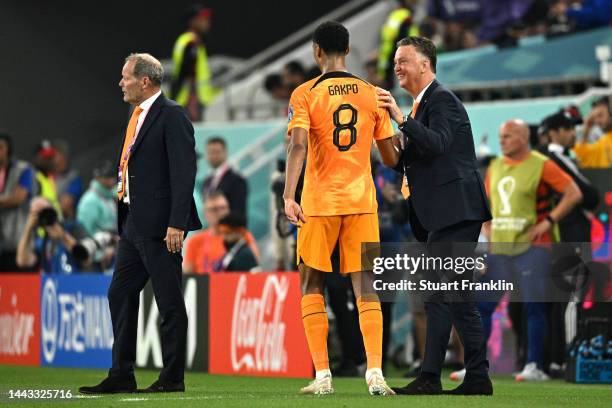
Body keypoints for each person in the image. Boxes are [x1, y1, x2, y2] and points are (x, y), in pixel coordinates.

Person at [283, 21, 400, 396]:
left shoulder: (304, 93)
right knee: (365, 286)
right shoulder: (372, 94)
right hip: (362, 202)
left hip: (319, 203)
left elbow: (298, 145)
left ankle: (323, 376)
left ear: (317, 51)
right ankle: (376, 372)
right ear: (347, 50)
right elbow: (389, 156)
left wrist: (289, 196)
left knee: (311, 283)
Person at [376, 36, 492, 395]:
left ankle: (435, 376)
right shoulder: (419, 108)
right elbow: (423, 160)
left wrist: (399, 119)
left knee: (442, 295)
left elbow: (439, 142)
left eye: (403, 60)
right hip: (444, 213)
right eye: (395, 61)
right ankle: (473, 378)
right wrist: (392, 142)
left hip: (455, 212)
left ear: (425, 64)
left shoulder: (442, 100)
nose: (397, 67)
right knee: (453, 296)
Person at [79, 53, 201, 394]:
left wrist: (177, 223)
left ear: (144, 81)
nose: (121, 83)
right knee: (120, 292)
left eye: (125, 77)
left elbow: (183, 170)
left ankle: (172, 377)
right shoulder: (137, 116)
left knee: (169, 301)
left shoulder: (172, 115)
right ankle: (121, 373)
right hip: (133, 223)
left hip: (161, 226)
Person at [474, 119, 582, 382]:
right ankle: (476, 365)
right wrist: (487, 228)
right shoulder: (495, 166)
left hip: (534, 246)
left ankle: (535, 366)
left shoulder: (541, 164)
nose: (503, 141)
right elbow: (487, 202)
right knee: (482, 306)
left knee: (534, 307)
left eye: (508, 136)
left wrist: (549, 221)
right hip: (500, 247)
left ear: (524, 137)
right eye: (501, 136)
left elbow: (573, 193)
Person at [183, 191, 259, 274]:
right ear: (205, 213)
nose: (220, 213)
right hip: (204, 284)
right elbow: (187, 275)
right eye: (214, 209)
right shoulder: (195, 240)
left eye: (223, 208)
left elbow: (255, 268)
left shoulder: (241, 235)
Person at [170, 4, 217, 121]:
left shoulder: (189, 41)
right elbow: (186, 73)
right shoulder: (191, 43)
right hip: (191, 102)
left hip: (189, 101)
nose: (206, 22)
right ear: (192, 21)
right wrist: (192, 101)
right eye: (202, 19)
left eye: (207, 19)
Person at [16, 196, 84, 274]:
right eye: (37, 213)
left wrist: (64, 236)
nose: (43, 216)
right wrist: (28, 228)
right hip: (51, 283)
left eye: (45, 211)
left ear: (53, 210)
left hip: (75, 281)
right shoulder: (41, 240)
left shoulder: (72, 227)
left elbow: (86, 259)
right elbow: (22, 261)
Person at [0, 131, 36, 271]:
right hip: (1, 243)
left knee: (20, 285)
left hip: (19, 239)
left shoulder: (23, 170)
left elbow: (18, 198)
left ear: (8, 149)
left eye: (1, 147)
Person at [76, 160, 118, 271]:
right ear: (98, 178)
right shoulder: (90, 200)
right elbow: (83, 231)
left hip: (112, 250)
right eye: (107, 177)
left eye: (112, 176)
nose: (112, 180)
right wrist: (100, 253)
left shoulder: (110, 195)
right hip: (96, 259)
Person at [202, 137, 248, 218]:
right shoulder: (207, 180)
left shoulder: (237, 180)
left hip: (229, 229)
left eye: (217, 152)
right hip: (210, 229)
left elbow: (239, 213)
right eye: (210, 152)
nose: (213, 156)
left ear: (225, 152)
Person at [572, 97, 612, 168]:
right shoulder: (603, 142)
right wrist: (586, 129)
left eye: (600, 115)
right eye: (594, 117)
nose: (597, 121)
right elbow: (581, 155)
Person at [53, 140, 84, 220]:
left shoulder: (74, 177)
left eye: (63, 157)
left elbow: (65, 204)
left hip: (69, 224)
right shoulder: (48, 177)